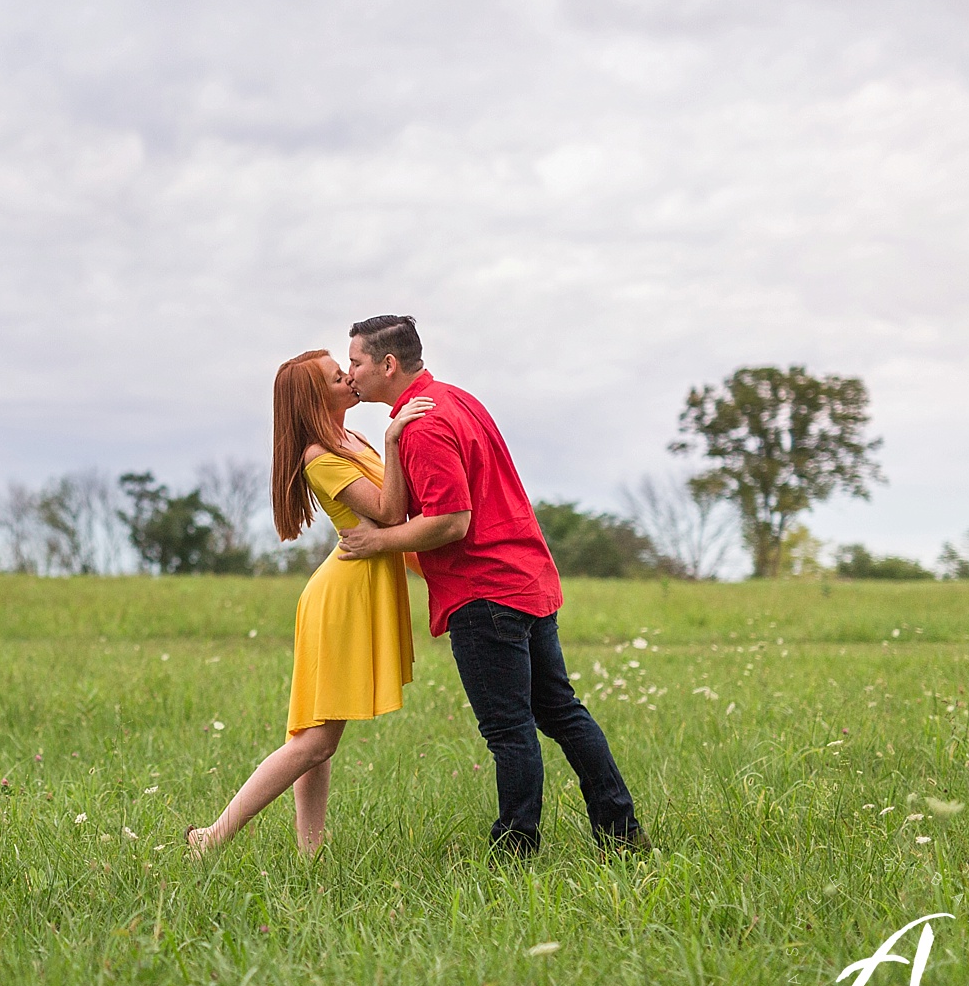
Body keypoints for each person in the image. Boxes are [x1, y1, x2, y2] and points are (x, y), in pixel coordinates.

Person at [337, 314, 651, 860]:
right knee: (561, 711)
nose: (350, 373)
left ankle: (516, 848)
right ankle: (621, 833)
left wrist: (376, 544)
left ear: (388, 365)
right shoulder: (457, 400)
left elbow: (452, 520)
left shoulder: (425, 425)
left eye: (357, 362)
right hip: (524, 578)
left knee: (509, 730)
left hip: (485, 591)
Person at [186, 350, 432, 858]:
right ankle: (212, 838)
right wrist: (395, 437)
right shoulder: (320, 457)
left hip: (357, 587)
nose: (349, 376)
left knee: (317, 739)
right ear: (317, 398)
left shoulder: (352, 438)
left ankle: (309, 856)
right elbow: (389, 510)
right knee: (315, 741)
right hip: (342, 599)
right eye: (337, 376)